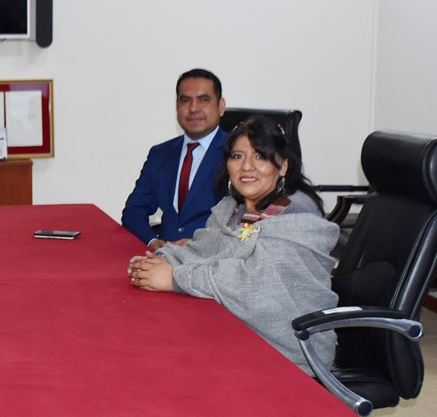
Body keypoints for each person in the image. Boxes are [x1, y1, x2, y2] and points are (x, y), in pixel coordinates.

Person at [126, 116, 338, 374]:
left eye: (260, 156)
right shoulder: (232, 207)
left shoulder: (298, 216)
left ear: (282, 166)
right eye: (237, 156)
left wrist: (175, 278)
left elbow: (253, 286)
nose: (247, 166)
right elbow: (203, 249)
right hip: (239, 332)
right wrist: (163, 260)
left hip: (290, 352)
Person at [122, 68, 229, 248]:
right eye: (185, 100)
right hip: (162, 257)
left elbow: (244, 222)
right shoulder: (160, 153)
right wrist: (153, 242)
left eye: (203, 100)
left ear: (220, 106)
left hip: (213, 261)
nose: (193, 109)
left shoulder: (237, 154)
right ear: (177, 106)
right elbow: (133, 212)